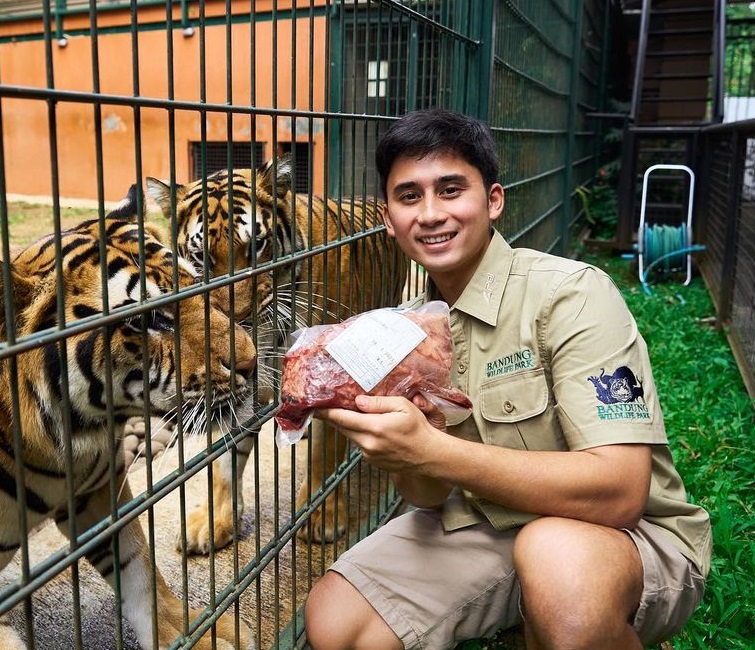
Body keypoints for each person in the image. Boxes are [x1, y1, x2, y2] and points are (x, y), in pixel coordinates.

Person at [303, 108, 711, 650]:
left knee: (557, 565)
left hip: (627, 535)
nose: (430, 214)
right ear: (387, 217)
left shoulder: (572, 295)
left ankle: (565, 619)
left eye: (450, 190)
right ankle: (528, 613)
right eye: (409, 196)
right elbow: (428, 496)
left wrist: (430, 451)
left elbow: (621, 493)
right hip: (491, 524)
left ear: (493, 200)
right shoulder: (405, 330)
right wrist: (398, 451)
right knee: (335, 622)